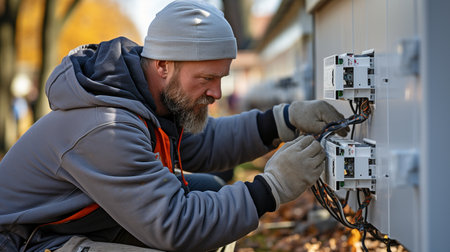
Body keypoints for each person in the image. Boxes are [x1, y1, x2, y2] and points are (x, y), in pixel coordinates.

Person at [0, 1, 348, 251]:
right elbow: (177, 226)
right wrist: (271, 187)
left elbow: (204, 143)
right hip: (24, 240)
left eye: (221, 77)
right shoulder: (105, 128)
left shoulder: (145, 97)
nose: (217, 92)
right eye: (207, 78)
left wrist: (284, 119)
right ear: (164, 65)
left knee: (210, 191)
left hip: (65, 226)